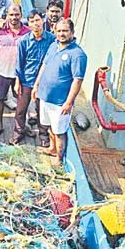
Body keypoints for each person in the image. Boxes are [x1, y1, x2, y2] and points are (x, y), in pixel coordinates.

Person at [32, 18, 87, 164]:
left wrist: (69, 103)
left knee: (59, 131)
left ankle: (59, 158)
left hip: (60, 102)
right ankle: (52, 148)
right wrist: (36, 85)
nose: (61, 34)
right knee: (48, 125)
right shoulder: (53, 46)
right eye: (59, 31)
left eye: (65, 31)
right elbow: (44, 65)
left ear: (72, 32)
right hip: (45, 96)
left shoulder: (78, 54)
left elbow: (77, 80)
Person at [11, 11, 55, 145]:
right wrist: (17, 82)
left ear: (42, 21)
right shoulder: (24, 41)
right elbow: (20, 62)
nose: (35, 24)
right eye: (32, 22)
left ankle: (43, 135)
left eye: (37, 20)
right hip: (26, 80)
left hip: (44, 82)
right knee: (21, 109)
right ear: (28, 24)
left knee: (41, 109)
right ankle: (19, 131)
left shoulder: (52, 39)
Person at [0, 3, 30, 139]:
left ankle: (22, 125)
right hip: (1, 71)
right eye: (11, 14)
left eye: (17, 14)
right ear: (6, 16)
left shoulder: (28, 32)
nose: (14, 17)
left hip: (21, 74)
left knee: (22, 100)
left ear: (21, 15)